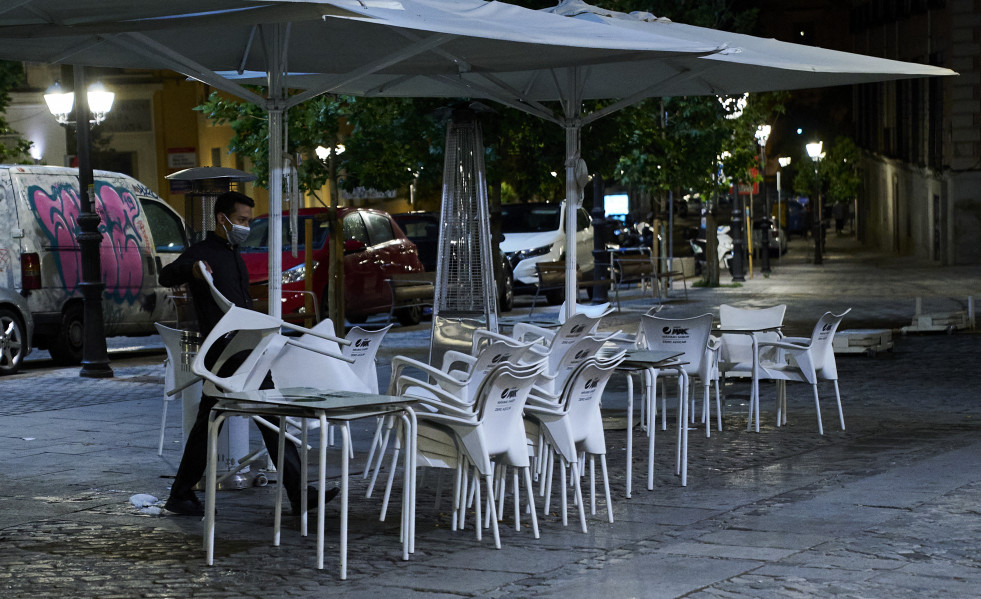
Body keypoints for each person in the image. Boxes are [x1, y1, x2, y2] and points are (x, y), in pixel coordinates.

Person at [159, 191, 336, 517]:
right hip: (227, 352)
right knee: (265, 414)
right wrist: (192, 270)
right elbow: (166, 275)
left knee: (214, 420)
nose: (244, 226)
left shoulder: (233, 253)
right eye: (240, 220)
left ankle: (181, 493)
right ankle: (298, 493)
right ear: (222, 219)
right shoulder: (203, 253)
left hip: (241, 350)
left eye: (247, 221)